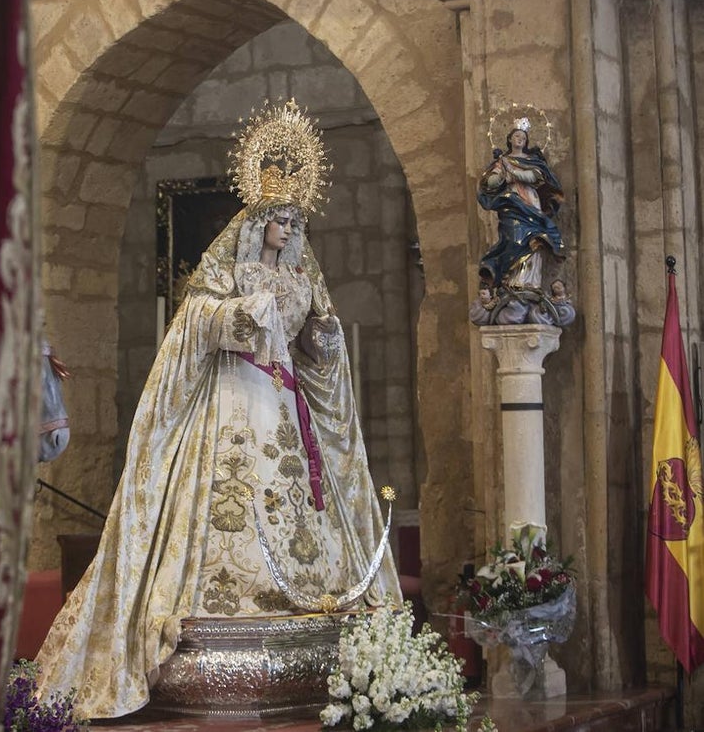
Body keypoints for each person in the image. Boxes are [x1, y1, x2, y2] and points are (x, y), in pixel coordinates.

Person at [34, 101, 401, 719]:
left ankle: (308, 595)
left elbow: (315, 347)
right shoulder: (231, 270)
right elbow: (194, 322)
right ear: (256, 223)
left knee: (296, 497)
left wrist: (325, 339)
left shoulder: (303, 282)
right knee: (231, 494)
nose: (287, 227)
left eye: (293, 220)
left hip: (285, 401)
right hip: (237, 397)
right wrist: (232, 315)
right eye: (277, 219)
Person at [477, 124, 566, 291]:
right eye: (517, 136)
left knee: (535, 239)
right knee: (514, 238)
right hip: (510, 203)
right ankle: (512, 282)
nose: (520, 140)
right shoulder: (502, 161)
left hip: (530, 202)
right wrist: (502, 176)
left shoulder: (531, 161)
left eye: (523, 138)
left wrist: (512, 172)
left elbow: (534, 177)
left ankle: (531, 283)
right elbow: (490, 182)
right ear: (510, 139)